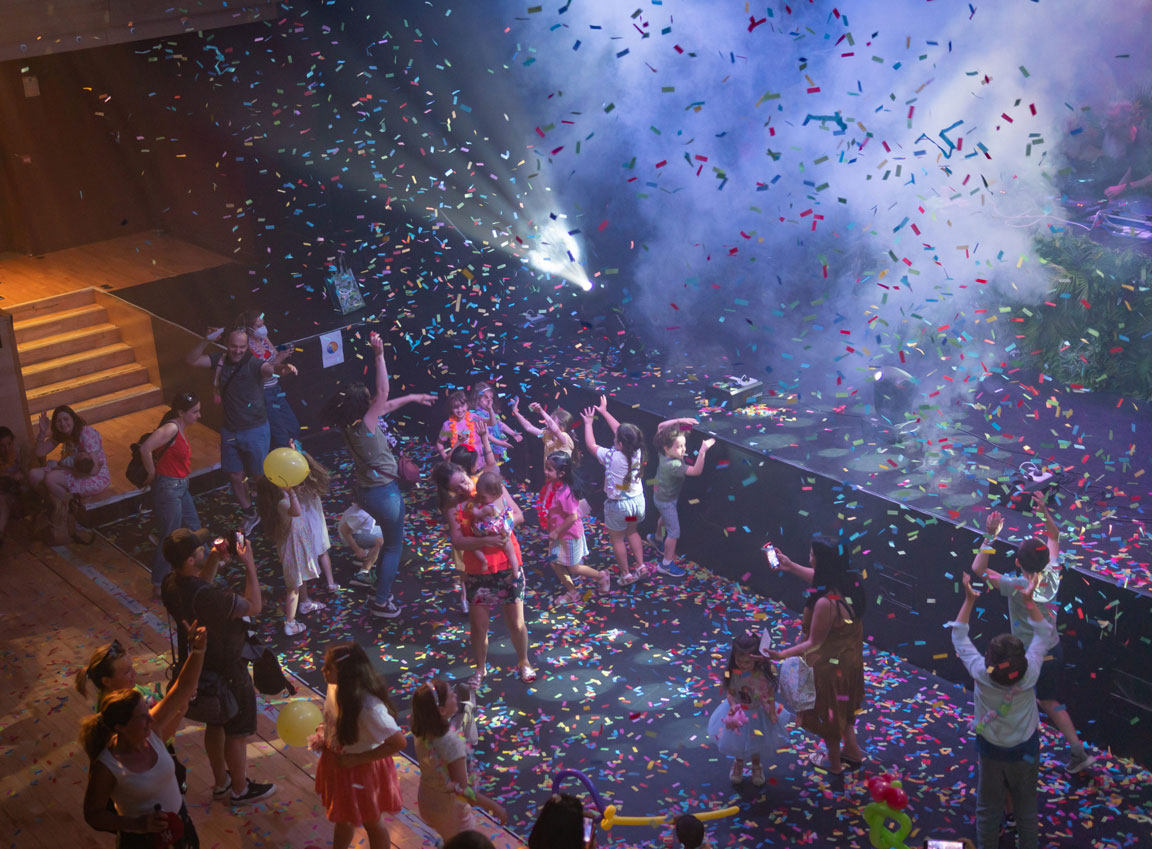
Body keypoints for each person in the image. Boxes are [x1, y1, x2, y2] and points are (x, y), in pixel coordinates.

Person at [969, 495, 1095, 773]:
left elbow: (978, 569)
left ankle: (1012, 746)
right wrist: (1046, 514)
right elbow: (1055, 534)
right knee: (1049, 701)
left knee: (1018, 698)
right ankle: (1077, 752)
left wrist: (990, 536)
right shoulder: (1053, 572)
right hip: (1053, 648)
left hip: (1027, 657)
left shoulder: (1015, 585)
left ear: (1017, 562)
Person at [321, 330, 435, 619]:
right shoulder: (365, 425)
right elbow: (383, 394)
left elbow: (385, 404)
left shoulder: (350, 424)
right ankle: (381, 601)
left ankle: (374, 578)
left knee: (386, 541)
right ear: (364, 407)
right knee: (394, 546)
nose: (375, 400)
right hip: (383, 494)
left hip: (365, 490)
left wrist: (412, 397)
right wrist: (379, 354)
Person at [160, 527, 276, 806]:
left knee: (216, 723)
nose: (204, 548)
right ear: (189, 560)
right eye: (199, 549)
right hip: (228, 668)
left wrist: (212, 558)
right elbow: (254, 606)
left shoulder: (170, 584)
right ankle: (239, 789)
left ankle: (221, 783)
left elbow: (200, 587)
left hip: (201, 665)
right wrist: (249, 565)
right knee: (237, 730)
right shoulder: (211, 599)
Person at [79, 620, 207, 848]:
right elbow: (93, 814)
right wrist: (138, 824)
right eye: (142, 716)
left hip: (181, 828)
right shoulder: (106, 765)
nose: (151, 718)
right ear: (120, 727)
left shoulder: (151, 730)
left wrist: (198, 650)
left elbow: (184, 688)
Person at [950, 572, 1053, 849]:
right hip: (1026, 748)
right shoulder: (1030, 673)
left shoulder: (980, 672)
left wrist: (970, 600)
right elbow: (1044, 632)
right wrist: (1029, 601)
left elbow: (959, 635)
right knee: (1027, 810)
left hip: (992, 749)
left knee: (987, 809)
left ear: (988, 661)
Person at [431, 461, 536, 687]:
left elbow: (518, 514)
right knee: (479, 627)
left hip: (507, 564)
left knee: (516, 622)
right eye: (455, 488)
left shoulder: (489, 485)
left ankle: (524, 661)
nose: (463, 489)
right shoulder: (453, 506)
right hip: (478, 571)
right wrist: (488, 539)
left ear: (464, 471)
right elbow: (458, 541)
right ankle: (480, 668)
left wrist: (503, 525)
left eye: (463, 482)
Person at [767, 537, 866, 774]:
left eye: (812, 555)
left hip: (830, 669)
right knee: (845, 710)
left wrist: (780, 655)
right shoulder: (851, 582)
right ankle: (852, 752)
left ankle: (834, 766)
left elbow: (813, 643)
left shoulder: (825, 604)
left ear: (822, 563)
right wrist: (790, 566)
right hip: (850, 662)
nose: (809, 558)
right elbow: (819, 578)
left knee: (830, 718)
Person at [186, 326, 287, 532]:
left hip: (255, 429)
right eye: (233, 346)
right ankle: (250, 513)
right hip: (230, 430)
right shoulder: (220, 360)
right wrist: (205, 340)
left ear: (247, 346)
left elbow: (269, 370)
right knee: (234, 475)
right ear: (226, 344)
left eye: (242, 347)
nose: (238, 350)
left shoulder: (253, 363)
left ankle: (271, 513)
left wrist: (282, 368)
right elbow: (192, 360)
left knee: (260, 477)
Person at [311, 643, 406, 849]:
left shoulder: (370, 709)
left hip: (362, 771)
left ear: (346, 674)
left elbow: (398, 742)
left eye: (329, 668)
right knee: (343, 817)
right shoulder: (336, 687)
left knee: (372, 822)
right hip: (340, 763)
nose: (323, 671)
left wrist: (357, 759)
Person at [412, 679, 508, 842]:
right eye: (451, 695)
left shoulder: (421, 728)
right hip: (449, 811)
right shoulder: (450, 742)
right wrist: (495, 807)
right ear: (441, 710)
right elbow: (464, 792)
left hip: (427, 799)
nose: (455, 696)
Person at [139, 392, 203, 597]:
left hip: (180, 486)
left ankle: (202, 567)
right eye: (194, 412)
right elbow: (146, 448)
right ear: (181, 412)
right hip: (169, 488)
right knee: (170, 535)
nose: (199, 416)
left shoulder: (180, 427)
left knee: (193, 527)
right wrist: (151, 472)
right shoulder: (171, 427)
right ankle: (158, 582)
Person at [581, 396, 650, 586]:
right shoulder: (638, 452)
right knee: (632, 532)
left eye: (616, 439)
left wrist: (588, 423)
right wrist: (604, 412)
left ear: (620, 444)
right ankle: (641, 565)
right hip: (636, 504)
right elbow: (622, 431)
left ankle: (626, 574)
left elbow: (590, 446)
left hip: (619, 508)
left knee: (618, 539)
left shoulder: (612, 457)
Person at [708, 632, 787, 786]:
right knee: (738, 743)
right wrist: (732, 706)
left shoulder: (761, 674)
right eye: (739, 660)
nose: (743, 665)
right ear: (733, 657)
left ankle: (756, 766)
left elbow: (770, 693)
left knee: (757, 742)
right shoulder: (732, 672)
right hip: (739, 713)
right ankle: (738, 764)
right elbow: (730, 693)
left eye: (748, 662)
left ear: (757, 659)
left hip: (758, 713)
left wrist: (771, 711)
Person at [255, 479, 325, 636]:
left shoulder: (279, 502)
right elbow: (297, 512)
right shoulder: (282, 504)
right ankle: (290, 623)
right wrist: (292, 492)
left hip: (296, 548)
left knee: (301, 578)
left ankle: (305, 602)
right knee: (293, 587)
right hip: (293, 550)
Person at [29, 406, 109, 539]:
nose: (63, 423)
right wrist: (42, 432)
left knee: (51, 478)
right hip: (71, 471)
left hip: (93, 477)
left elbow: (94, 470)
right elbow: (39, 452)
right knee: (33, 474)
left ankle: (73, 511)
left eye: (66, 419)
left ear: (74, 418)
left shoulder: (86, 433)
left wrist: (61, 469)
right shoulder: (62, 435)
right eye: (58, 421)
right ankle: (60, 507)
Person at [539, 450, 609, 604]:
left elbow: (573, 516)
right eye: (546, 468)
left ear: (562, 473)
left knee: (574, 568)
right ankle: (573, 592)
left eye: (549, 469)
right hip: (557, 533)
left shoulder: (566, 493)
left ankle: (601, 576)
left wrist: (557, 530)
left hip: (569, 535)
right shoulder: (552, 485)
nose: (545, 472)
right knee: (553, 561)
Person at [651, 419, 715, 578]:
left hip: (660, 496)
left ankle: (657, 537)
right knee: (674, 532)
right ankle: (665, 564)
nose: (683, 449)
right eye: (679, 447)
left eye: (684, 445)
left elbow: (660, 426)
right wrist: (702, 451)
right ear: (667, 448)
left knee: (663, 519)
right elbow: (696, 471)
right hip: (667, 501)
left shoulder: (661, 450)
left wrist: (680, 422)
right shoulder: (674, 465)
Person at [235, 310, 301, 450]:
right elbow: (259, 374)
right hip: (262, 394)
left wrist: (285, 363)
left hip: (276, 389)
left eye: (263, 324)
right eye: (258, 326)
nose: (263, 328)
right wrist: (279, 359)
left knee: (293, 427)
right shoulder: (245, 347)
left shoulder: (264, 339)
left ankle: (296, 455)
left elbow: (275, 362)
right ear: (249, 329)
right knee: (280, 434)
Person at [296, 450, 337, 591]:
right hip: (316, 524)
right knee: (322, 553)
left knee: (302, 558)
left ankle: (305, 593)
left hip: (301, 525)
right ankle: (330, 582)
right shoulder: (314, 483)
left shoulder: (293, 489)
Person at [466, 471, 522, 574]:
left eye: (483, 497)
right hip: (504, 531)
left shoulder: (488, 508)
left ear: (493, 493)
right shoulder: (502, 498)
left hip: (491, 530)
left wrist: (474, 503)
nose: (481, 499)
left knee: (474, 544)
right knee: (511, 553)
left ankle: (483, 561)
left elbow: (476, 513)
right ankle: (515, 573)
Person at [509, 398, 575, 469]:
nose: (546, 422)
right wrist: (515, 412)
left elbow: (556, 430)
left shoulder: (565, 439)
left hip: (561, 479)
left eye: (551, 421)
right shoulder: (547, 435)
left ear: (562, 428)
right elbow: (529, 427)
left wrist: (541, 411)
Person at [470, 381, 521, 464]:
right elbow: (486, 434)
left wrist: (513, 433)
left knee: (495, 466)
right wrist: (499, 442)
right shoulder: (475, 415)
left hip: (496, 446)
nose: (489, 400)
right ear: (477, 398)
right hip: (485, 447)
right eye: (485, 397)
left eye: (491, 397)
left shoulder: (493, 413)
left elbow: (500, 425)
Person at [340, 499, 384, 589]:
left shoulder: (368, 508)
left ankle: (364, 557)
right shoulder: (361, 514)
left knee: (389, 533)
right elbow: (344, 531)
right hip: (354, 535)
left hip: (362, 531)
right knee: (379, 542)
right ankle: (362, 574)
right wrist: (357, 549)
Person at [0, 424, 29, 542]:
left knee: (3, 500)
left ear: (13, 442)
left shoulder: (20, 455)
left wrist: (20, 476)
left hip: (18, 497)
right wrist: (8, 475)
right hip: (4, 495)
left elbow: (28, 474)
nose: (6, 449)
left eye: (9, 444)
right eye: (2, 446)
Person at [437, 391, 481, 460]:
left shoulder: (474, 418)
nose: (460, 410)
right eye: (455, 407)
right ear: (451, 409)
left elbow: (491, 423)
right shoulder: (448, 425)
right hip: (459, 463)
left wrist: (490, 409)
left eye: (462, 406)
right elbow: (439, 443)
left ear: (467, 405)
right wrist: (445, 457)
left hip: (478, 462)